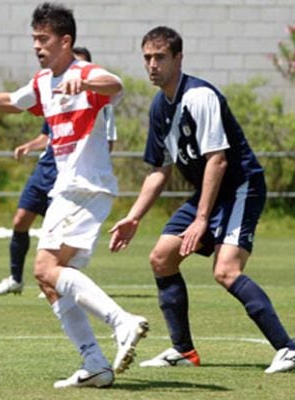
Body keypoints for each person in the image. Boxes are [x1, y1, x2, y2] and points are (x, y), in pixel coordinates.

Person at [0, 3, 147, 388]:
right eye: (34, 39)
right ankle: (94, 363)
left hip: (82, 185)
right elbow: (11, 101)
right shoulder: (44, 81)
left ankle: (121, 322)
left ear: (66, 41)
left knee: (44, 269)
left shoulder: (83, 73)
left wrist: (87, 83)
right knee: (53, 280)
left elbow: (116, 85)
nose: (37, 46)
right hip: (75, 188)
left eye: (43, 39)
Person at [108, 26, 295, 374]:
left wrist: (201, 218)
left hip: (241, 186)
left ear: (178, 58)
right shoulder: (158, 107)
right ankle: (183, 350)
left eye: (160, 57)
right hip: (211, 192)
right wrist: (133, 217)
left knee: (225, 271)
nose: (152, 65)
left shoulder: (200, 96)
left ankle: (288, 348)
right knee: (162, 258)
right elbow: (159, 170)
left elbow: (218, 160)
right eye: (147, 57)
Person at [0, 46, 118, 297]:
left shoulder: (98, 101)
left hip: (73, 177)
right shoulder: (52, 91)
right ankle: (17, 278)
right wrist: (30, 145)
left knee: (58, 248)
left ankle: (57, 277)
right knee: (20, 220)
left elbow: (107, 132)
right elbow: (46, 134)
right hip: (46, 168)